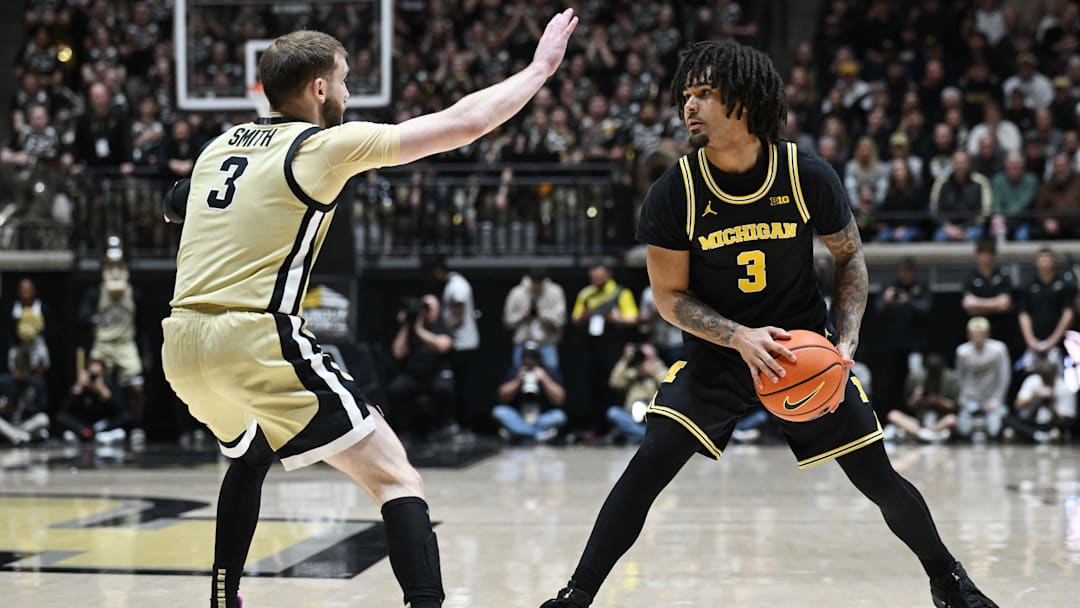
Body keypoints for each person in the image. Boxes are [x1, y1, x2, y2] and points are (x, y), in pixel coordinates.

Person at [540, 40, 999, 608]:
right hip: (717, 355)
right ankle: (575, 595)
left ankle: (948, 581)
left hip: (799, 352)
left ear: (746, 101)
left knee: (877, 476)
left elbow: (850, 257)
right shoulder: (674, 192)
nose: (690, 106)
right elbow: (668, 297)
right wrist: (738, 336)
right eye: (687, 95)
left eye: (705, 94)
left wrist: (847, 338)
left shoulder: (806, 173)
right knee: (649, 464)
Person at [160, 13, 578, 608]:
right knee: (395, 477)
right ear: (319, 89)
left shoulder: (217, 147)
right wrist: (540, 69)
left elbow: (174, 204)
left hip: (182, 344)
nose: (350, 93)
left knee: (250, 455)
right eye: (345, 79)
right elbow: (465, 122)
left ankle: (223, 599)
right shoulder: (323, 146)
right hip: (252, 335)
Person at [570, 263, 639, 434]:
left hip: (614, 348)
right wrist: (585, 315)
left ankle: (616, 429)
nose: (597, 280)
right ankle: (596, 429)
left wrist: (616, 319)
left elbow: (633, 318)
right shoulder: (586, 294)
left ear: (609, 274)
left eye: (600, 276)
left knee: (616, 386)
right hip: (592, 348)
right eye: (594, 277)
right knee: (594, 388)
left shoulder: (621, 293)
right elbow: (575, 319)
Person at [423, 255, 479, 433]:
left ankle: (465, 425)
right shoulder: (451, 285)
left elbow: (457, 318)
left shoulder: (457, 287)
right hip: (458, 344)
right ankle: (459, 423)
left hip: (463, 345)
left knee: (462, 387)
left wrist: (436, 329)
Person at [386, 295, 454, 438]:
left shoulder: (441, 327)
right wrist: (406, 325)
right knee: (395, 388)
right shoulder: (408, 329)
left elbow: (443, 346)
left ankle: (443, 426)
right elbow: (398, 353)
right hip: (413, 374)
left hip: (436, 373)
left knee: (444, 389)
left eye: (429, 308)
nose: (426, 312)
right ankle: (403, 429)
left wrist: (419, 330)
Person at [490, 343, 567, 444]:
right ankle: (535, 435)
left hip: (541, 418)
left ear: (539, 358)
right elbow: (502, 396)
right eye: (526, 357)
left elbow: (560, 399)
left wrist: (544, 379)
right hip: (519, 417)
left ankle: (519, 434)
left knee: (559, 416)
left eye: (533, 357)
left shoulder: (549, 372)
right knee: (499, 412)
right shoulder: (515, 372)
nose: (529, 361)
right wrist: (518, 381)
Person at [1017, 247, 1076, 373]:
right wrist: (1031, 340)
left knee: (1060, 374)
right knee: (1029, 372)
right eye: (1042, 258)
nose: (1045, 261)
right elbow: (1023, 314)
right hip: (1034, 341)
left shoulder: (1064, 285)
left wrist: (1054, 340)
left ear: (1053, 261)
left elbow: (1068, 313)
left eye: (1048, 258)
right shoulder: (1028, 285)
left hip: (1059, 342)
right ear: (1036, 262)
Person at [954, 316, 1012, 441]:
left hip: (992, 399)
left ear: (987, 334)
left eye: (981, 334)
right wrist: (963, 399)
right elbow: (960, 377)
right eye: (975, 334)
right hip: (971, 399)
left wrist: (997, 399)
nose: (978, 338)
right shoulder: (962, 352)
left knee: (994, 430)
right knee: (963, 429)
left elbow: (1004, 376)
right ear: (969, 335)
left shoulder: (998, 350)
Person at [961, 239, 1018, 359]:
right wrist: (995, 304)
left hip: (1001, 328)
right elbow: (968, 306)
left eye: (988, 254)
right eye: (982, 254)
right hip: (977, 331)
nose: (985, 257)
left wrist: (978, 303)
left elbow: (1005, 304)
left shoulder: (1002, 275)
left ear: (993, 256)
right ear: (977, 255)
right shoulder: (971, 277)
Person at [886, 353, 959, 443]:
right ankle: (925, 435)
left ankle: (924, 435)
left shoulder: (951, 378)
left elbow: (955, 407)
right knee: (893, 415)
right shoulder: (916, 378)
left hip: (939, 421)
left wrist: (937, 401)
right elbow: (909, 406)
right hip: (919, 423)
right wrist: (916, 398)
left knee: (952, 419)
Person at [503, 267, 566, 371]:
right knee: (518, 374)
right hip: (522, 342)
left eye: (539, 283)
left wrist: (542, 314)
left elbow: (560, 320)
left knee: (552, 374)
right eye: (534, 283)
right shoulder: (517, 292)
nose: (537, 286)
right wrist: (522, 316)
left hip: (547, 342)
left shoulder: (555, 292)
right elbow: (507, 320)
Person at [55, 358, 130, 443]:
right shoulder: (81, 387)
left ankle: (99, 434)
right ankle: (84, 433)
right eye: (91, 374)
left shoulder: (109, 387)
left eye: (96, 375)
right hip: (82, 424)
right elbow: (64, 411)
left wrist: (104, 393)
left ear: (103, 374)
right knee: (60, 417)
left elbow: (122, 412)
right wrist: (77, 388)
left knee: (126, 417)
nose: (93, 378)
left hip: (101, 425)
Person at [606, 343, 669, 444]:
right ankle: (645, 436)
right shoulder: (632, 371)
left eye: (647, 356)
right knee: (613, 413)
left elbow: (667, 385)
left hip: (652, 418)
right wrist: (626, 360)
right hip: (632, 416)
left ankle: (639, 436)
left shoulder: (659, 369)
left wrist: (653, 370)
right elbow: (615, 382)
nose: (644, 359)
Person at [1006, 359, 1075, 443]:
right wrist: (1035, 397)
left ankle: (1036, 434)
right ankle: (1037, 435)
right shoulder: (1032, 381)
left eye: (1049, 377)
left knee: (1066, 423)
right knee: (1007, 419)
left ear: (1054, 375)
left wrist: (1049, 404)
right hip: (1031, 421)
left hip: (1051, 423)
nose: (1046, 380)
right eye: (1044, 377)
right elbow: (1017, 405)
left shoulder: (1064, 388)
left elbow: (1067, 417)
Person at [0, 350, 50, 445]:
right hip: (8, 423)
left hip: (26, 423)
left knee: (44, 419)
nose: (21, 374)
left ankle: (17, 436)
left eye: (24, 371)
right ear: (14, 368)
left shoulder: (36, 383)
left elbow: (42, 407)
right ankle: (18, 436)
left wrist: (26, 408)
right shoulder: (4, 382)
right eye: (19, 371)